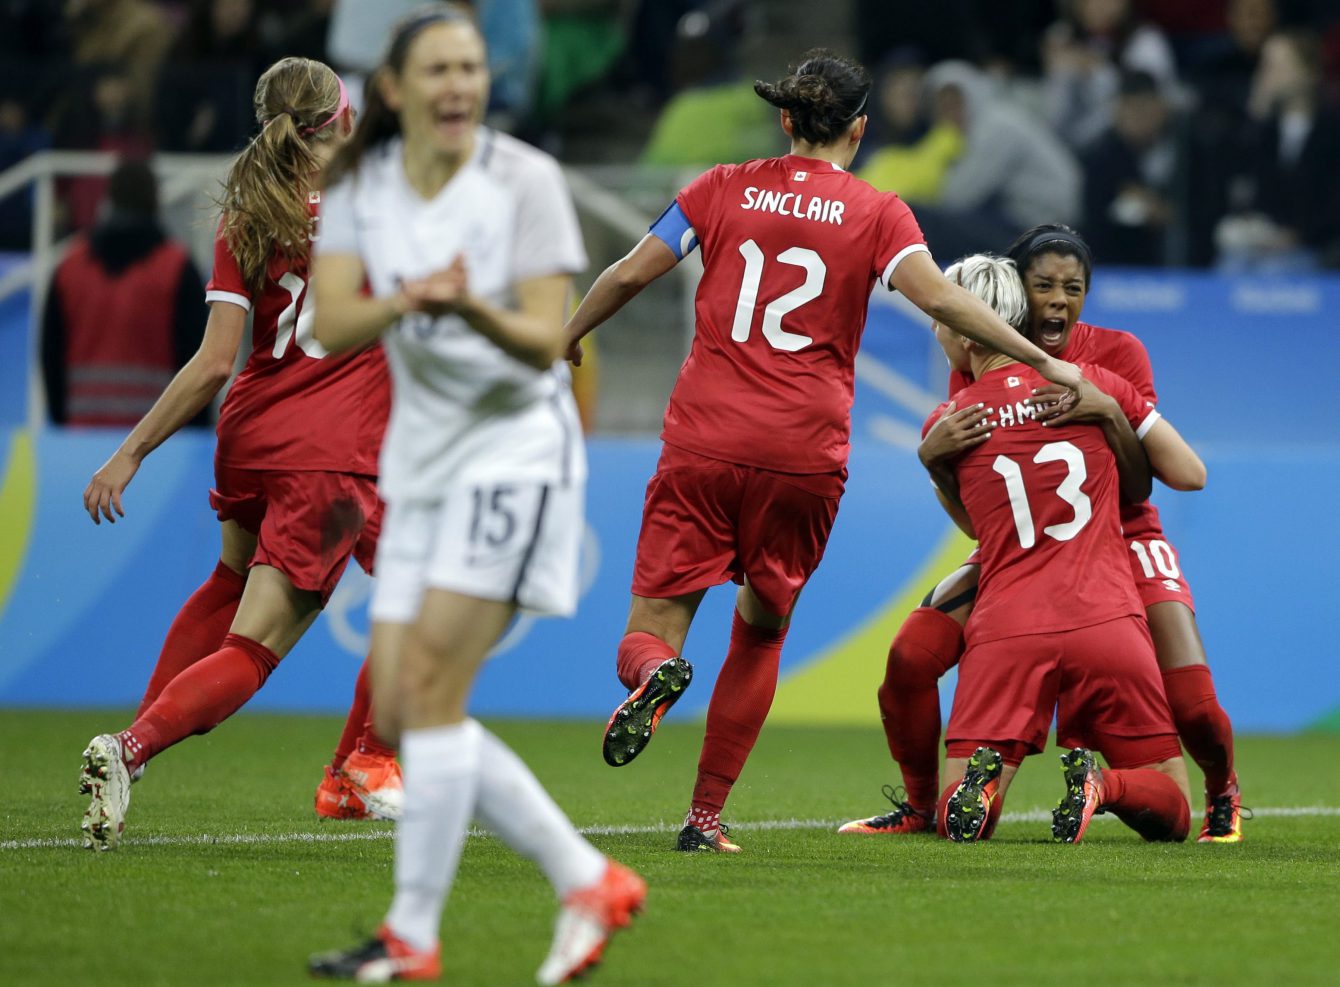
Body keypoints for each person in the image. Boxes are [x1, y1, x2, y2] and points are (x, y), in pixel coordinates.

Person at [562, 48, 1083, 855]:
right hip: (802, 453)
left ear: (785, 119)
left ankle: (651, 672)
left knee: (654, 625)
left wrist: (569, 334)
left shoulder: (719, 186)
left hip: (704, 438)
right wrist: (1041, 358)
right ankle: (704, 819)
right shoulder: (878, 212)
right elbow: (940, 298)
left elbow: (632, 273)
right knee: (762, 631)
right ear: (860, 129)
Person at [304, 7, 644, 983]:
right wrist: (407, 298)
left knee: (429, 693)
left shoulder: (524, 180)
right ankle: (585, 879)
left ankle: (414, 934)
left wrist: (464, 306)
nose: (459, 84)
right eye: (438, 69)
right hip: (420, 462)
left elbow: (544, 339)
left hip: (512, 457)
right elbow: (330, 321)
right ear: (394, 88)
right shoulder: (362, 184)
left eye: (471, 67)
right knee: (403, 708)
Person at [77, 56, 401, 850]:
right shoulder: (381, 204)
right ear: (342, 120)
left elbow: (215, 360)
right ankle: (139, 748)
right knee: (268, 644)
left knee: (231, 579)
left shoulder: (250, 208)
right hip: (330, 453)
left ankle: (140, 746)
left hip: (252, 433)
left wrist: (131, 451)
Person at [842, 225, 1244, 844]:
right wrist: (936, 462)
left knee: (1192, 703)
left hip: (1124, 533)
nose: (1058, 299)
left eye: (1072, 288)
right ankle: (922, 808)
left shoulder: (1114, 354)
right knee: (911, 656)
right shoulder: (983, 360)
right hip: (1032, 544)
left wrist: (1107, 410)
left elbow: (1150, 485)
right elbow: (986, 517)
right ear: (1016, 290)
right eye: (1044, 286)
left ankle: (1224, 791)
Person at [914, 253, 1196, 845]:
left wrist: (934, 465)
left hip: (1007, 630)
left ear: (970, 331)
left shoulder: (950, 419)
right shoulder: (1090, 386)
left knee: (954, 816)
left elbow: (977, 530)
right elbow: (1184, 474)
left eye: (943, 318)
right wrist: (1111, 410)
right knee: (1172, 805)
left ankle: (981, 789)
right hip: (1107, 622)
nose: (937, 328)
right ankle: (1104, 785)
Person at [41, 159, 207, 426]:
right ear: (155, 201)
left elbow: (51, 354)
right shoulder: (177, 269)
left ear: (110, 200)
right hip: (157, 436)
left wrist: (62, 422)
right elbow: (198, 359)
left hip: (82, 432)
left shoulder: (70, 268)